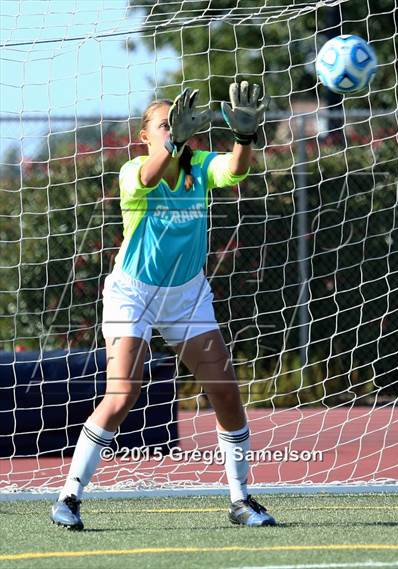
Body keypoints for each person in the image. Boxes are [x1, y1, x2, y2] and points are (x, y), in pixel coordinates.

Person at [50, 81, 276, 530]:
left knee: (226, 393)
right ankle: (69, 497)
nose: (175, 127)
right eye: (163, 123)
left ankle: (240, 499)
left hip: (187, 295)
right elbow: (153, 175)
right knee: (122, 395)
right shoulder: (134, 170)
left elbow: (235, 171)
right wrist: (171, 142)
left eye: (179, 120)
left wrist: (245, 137)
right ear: (146, 136)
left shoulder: (199, 165)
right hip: (133, 293)